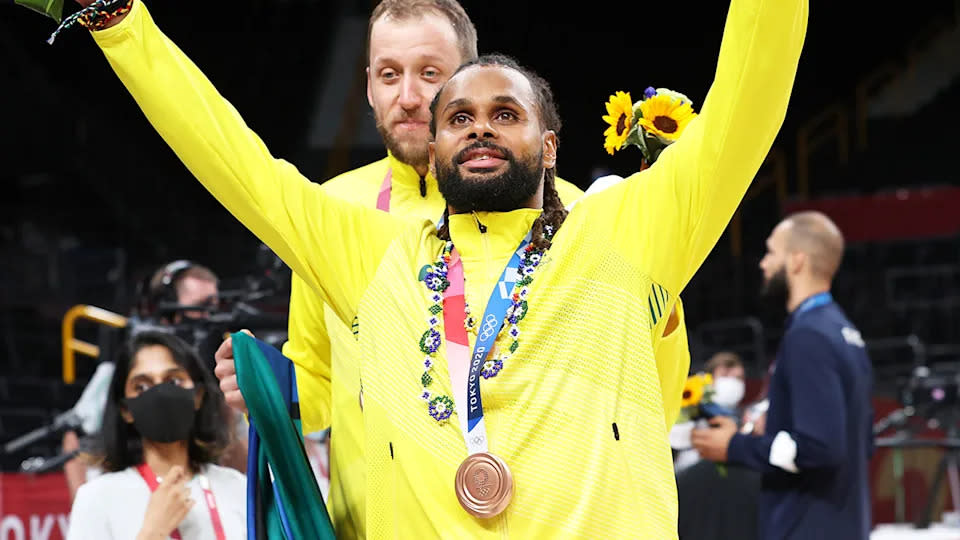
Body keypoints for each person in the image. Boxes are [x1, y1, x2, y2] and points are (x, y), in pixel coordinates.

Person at [76, 0, 806, 534]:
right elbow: (235, 164)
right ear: (434, 140)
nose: (480, 125)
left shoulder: (622, 230)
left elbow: (747, 104)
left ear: (549, 147)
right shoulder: (373, 253)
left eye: (506, 113)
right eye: (458, 117)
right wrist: (121, 24)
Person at [211, 1, 687, 536]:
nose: (409, 96)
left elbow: (649, 396)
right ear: (368, 85)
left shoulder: (568, 214)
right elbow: (318, 388)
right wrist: (266, 385)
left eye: (430, 74)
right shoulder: (333, 210)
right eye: (389, 74)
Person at [691, 211, 874, 540]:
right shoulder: (846, 333)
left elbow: (821, 448)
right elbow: (861, 441)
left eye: (772, 252)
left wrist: (736, 447)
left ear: (797, 260)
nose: (763, 263)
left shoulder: (809, 335)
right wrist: (774, 427)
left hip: (807, 526)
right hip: (842, 521)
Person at [66, 331, 245, 540]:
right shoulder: (96, 498)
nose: (160, 393)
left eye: (174, 381)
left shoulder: (238, 487)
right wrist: (153, 533)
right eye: (142, 386)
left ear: (198, 395)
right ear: (125, 409)